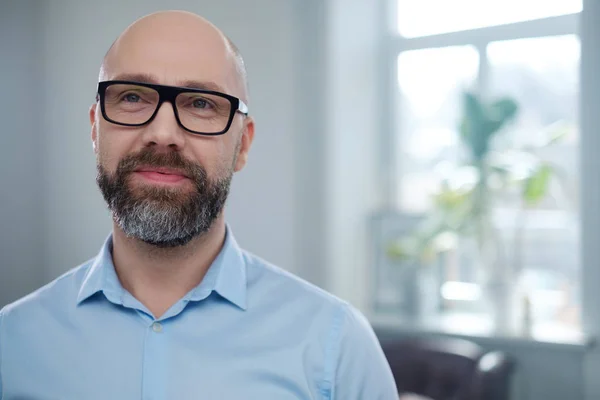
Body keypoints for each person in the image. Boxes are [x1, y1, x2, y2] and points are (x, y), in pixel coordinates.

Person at [0, 10, 398, 399]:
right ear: (94, 128)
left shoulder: (338, 349)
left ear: (242, 144)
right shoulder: (11, 344)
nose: (162, 133)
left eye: (201, 104)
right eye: (133, 97)